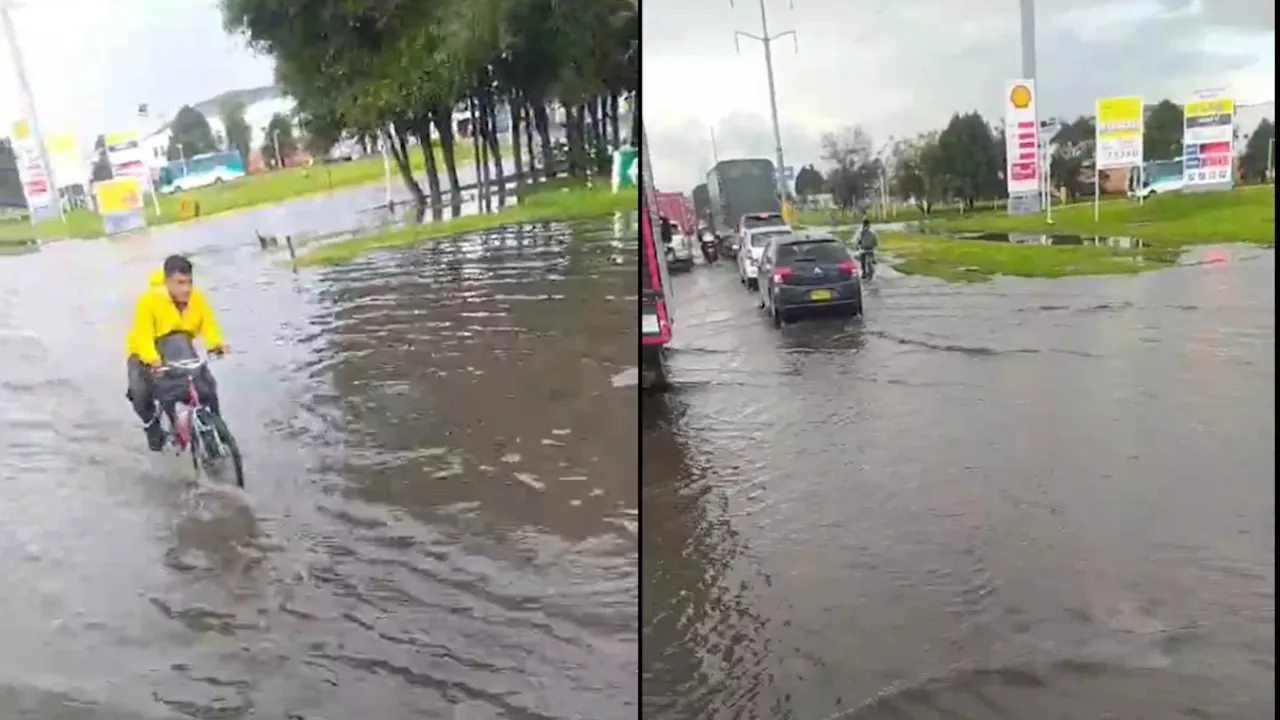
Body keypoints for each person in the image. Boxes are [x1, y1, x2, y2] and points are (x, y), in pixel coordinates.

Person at [126, 255, 229, 451]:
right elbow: (142, 334)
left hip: (179, 348)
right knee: (140, 392)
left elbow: (209, 323)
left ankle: (217, 429)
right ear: (167, 283)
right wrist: (151, 359)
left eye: (189, 282)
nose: (186, 289)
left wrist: (217, 343)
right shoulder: (148, 302)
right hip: (143, 351)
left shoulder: (197, 299)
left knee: (205, 385)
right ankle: (151, 426)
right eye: (180, 283)